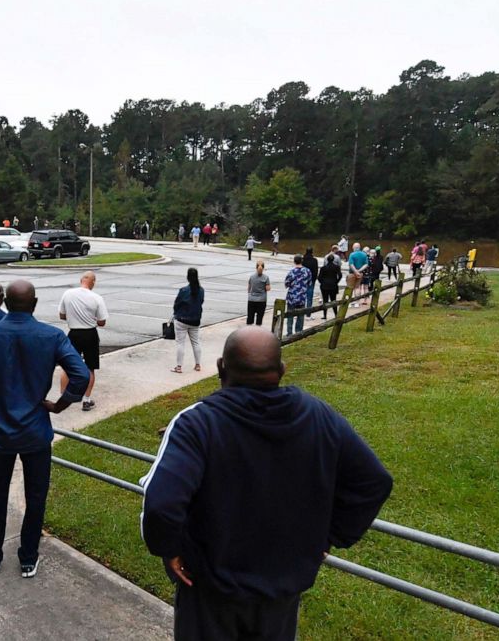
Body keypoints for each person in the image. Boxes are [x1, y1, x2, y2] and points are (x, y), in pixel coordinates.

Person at [141, 327, 393, 641]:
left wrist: (169, 549)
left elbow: (160, 505)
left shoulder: (196, 423)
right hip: (281, 592)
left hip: (210, 590)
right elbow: (373, 481)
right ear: (282, 370)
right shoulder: (319, 416)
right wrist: (331, 537)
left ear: (221, 367)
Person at [0, 280, 89, 578]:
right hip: (36, 432)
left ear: (6, 303)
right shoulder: (51, 336)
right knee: (36, 496)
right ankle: (28, 557)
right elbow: (81, 374)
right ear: (35, 304)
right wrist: (59, 405)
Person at [58, 272, 108, 411]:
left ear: (81, 280)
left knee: (67, 365)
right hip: (90, 334)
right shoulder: (97, 298)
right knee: (90, 367)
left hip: (73, 333)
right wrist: (92, 319)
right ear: (93, 282)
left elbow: (62, 315)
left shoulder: (67, 294)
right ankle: (86, 400)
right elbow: (102, 322)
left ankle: (63, 396)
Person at [171, 268, 204, 373]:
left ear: (188, 277)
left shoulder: (183, 290)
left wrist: (176, 313)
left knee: (180, 343)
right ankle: (198, 364)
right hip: (195, 320)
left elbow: (177, 304)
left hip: (182, 319)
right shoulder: (201, 290)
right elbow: (201, 302)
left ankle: (179, 366)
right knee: (196, 342)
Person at [284, 254, 311, 336]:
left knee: (290, 315)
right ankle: (299, 332)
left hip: (292, 297)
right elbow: (309, 283)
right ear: (302, 261)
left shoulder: (292, 272)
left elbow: (286, 284)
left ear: (294, 261)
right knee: (300, 315)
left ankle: (289, 333)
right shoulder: (307, 271)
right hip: (302, 296)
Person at [246, 260, 270, 326]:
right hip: (261, 300)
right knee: (259, 318)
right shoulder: (266, 277)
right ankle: (257, 332)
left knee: (250, 317)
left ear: (256, 268)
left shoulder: (251, 277)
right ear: (263, 268)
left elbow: (248, 288)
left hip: (251, 299)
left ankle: (249, 331)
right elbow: (268, 289)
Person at [319, 254, 342, 319]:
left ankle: (325, 315)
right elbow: (340, 275)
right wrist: (336, 281)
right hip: (333, 285)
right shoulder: (337, 267)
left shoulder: (323, 268)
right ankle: (336, 314)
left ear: (327, 260)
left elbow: (319, 277)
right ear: (333, 260)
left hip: (324, 286)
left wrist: (322, 282)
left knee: (325, 300)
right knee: (333, 300)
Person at [347, 243, 369, 307]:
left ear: (354, 248)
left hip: (352, 273)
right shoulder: (364, 254)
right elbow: (366, 264)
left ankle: (350, 301)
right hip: (360, 273)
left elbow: (351, 264)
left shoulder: (352, 254)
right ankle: (357, 302)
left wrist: (356, 271)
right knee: (357, 287)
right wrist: (359, 271)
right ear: (359, 247)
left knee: (350, 287)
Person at [303, 247, 318, 313]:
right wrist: (314, 279)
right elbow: (316, 271)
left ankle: (301, 311)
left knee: (302, 296)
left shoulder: (303, 259)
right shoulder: (314, 260)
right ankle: (308, 313)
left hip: (303, 279)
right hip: (311, 279)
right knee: (309, 296)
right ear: (312, 252)